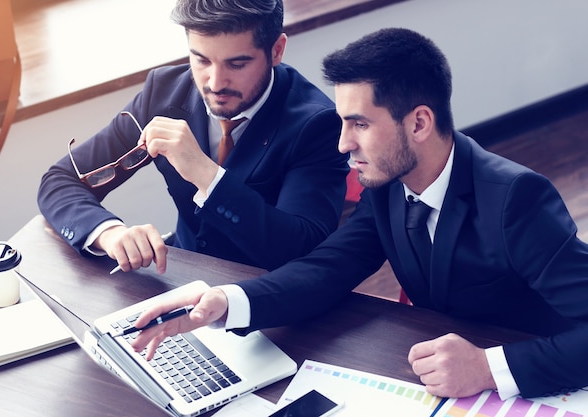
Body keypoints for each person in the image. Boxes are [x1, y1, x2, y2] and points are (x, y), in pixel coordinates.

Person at [130, 27, 588, 400]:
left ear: (419, 123)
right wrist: (226, 302)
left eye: (360, 124)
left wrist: (488, 367)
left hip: (543, 389)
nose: (343, 144)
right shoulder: (389, 189)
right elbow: (326, 270)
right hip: (445, 387)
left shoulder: (516, 199)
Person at [37, 0, 349, 273]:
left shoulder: (317, 124)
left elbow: (302, 248)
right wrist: (109, 233)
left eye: (237, 63)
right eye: (201, 60)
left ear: (276, 50)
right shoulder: (163, 92)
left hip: (267, 298)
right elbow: (60, 180)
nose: (215, 83)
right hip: (179, 274)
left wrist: (207, 176)